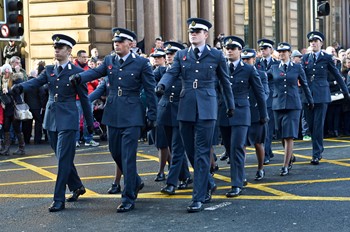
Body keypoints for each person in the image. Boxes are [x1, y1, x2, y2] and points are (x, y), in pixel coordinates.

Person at [70, 27, 158, 213]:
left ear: (130, 44)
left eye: (120, 42)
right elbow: (95, 73)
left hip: (132, 114)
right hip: (113, 112)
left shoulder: (141, 63)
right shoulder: (110, 60)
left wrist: (152, 115)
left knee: (127, 156)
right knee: (115, 152)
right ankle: (136, 180)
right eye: (115, 42)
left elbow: (150, 90)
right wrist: (79, 77)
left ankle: (128, 197)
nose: (116, 44)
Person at [156, 18, 234, 213]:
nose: (193, 34)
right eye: (191, 31)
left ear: (205, 35)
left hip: (207, 107)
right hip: (186, 107)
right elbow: (171, 73)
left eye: (198, 31)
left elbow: (225, 82)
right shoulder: (182, 55)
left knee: (200, 152)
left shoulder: (216, 55)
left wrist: (230, 105)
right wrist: (162, 85)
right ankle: (208, 181)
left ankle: (198, 197)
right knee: (190, 151)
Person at [11, 34, 94, 212]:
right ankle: (77, 186)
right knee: (62, 157)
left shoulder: (77, 72)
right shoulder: (49, 70)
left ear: (69, 51)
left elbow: (85, 99)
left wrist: (89, 122)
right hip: (51, 119)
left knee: (63, 159)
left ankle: (58, 199)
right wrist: (20, 87)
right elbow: (34, 82)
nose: (56, 50)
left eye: (60, 47)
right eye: (55, 47)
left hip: (69, 118)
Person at [218, 37, 267, 198]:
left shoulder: (248, 69)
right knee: (229, 149)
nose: (229, 50)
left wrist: (263, 114)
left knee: (237, 147)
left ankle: (236, 184)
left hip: (241, 113)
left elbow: (259, 93)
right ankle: (239, 177)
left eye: (233, 48)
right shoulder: (220, 67)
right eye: (227, 47)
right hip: (223, 113)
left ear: (240, 51)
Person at [301, 31, 350, 165]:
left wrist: (345, 92)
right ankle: (317, 148)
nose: (313, 43)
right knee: (311, 126)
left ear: (321, 43)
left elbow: (337, 74)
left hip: (322, 95)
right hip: (307, 96)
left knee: (318, 126)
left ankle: (316, 153)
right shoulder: (305, 58)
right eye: (311, 41)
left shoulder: (327, 57)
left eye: (316, 41)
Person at [267, 42, 314, 175]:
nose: (281, 53)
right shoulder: (274, 68)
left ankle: (285, 165)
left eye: (284, 51)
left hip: (293, 104)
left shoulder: (297, 67)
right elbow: (263, 77)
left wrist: (310, 101)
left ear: (289, 53)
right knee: (281, 134)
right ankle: (290, 156)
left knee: (289, 136)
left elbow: (304, 85)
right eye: (280, 51)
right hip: (277, 105)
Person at [158, 41, 193, 195]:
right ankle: (185, 176)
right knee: (172, 148)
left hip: (180, 112)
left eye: (172, 54)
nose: (169, 57)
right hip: (165, 112)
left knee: (178, 148)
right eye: (168, 54)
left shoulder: (186, 72)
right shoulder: (161, 71)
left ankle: (171, 183)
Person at [241, 48, 270, 181]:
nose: (246, 61)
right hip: (244, 112)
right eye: (244, 59)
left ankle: (260, 168)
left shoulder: (261, 74)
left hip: (257, 112)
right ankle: (242, 172)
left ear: (254, 59)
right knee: (242, 144)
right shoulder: (238, 73)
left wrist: (261, 105)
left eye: (248, 59)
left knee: (258, 143)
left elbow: (265, 92)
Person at [255, 38, 280, 165]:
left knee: (269, 128)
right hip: (261, 98)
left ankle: (266, 153)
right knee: (262, 128)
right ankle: (267, 152)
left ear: (271, 50)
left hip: (273, 97)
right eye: (261, 49)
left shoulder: (276, 63)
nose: (263, 51)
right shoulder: (257, 63)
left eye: (265, 49)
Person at [0, 64, 25, 156]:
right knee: (6, 127)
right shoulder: (3, 81)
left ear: (8, 71)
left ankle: (21, 148)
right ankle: (6, 148)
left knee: (16, 128)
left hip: (14, 106)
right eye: (2, 73)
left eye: (4, 73)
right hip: (7, 107)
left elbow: (18, 91)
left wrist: (8, 91)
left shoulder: (15, 79)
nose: (3, 75)